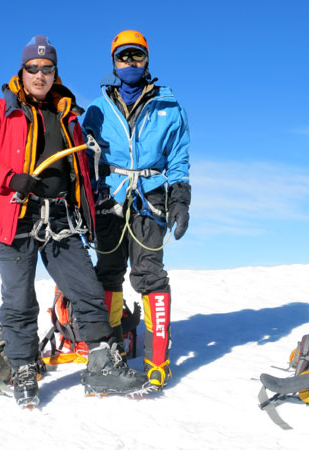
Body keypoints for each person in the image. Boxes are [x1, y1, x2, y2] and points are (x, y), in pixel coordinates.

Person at [0, 35, 148, 407]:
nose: (40, 75)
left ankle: (100, 366)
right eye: (33, 68)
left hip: (62, 217)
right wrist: (10, 178)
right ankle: (24, 367)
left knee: (88, 292)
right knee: (18, 299)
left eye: (47, 69)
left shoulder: (69, 117)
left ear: (55, 73)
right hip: (16, 216)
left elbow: (81, 168)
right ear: (22, 71)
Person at [82, 30, 191, 391]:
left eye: (137, 56)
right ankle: (112, 352)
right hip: (108, 198)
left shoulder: (169, 107)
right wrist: (87, 198)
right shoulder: (96, 109)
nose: (130, 63)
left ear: (147, 60)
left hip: (151, 198)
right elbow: (87, 157)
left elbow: (178, 158)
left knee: (150, 275)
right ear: (113, 63)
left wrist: (180, 199)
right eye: (123, 57)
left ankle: (157, 362)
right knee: (109, 273)